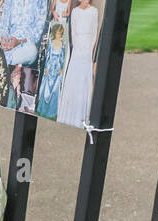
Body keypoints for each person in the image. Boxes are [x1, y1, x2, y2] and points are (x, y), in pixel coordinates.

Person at [57, 0, 100, 129]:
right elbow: (73, 32)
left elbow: (94, 32)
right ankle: (68, 115)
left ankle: (82, 116)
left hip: (87, 49)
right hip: (77, 49)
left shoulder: (94, 11)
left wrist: (89, 49)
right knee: (73, 78)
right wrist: (77, 48)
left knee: (84, 79)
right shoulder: (75, 12)